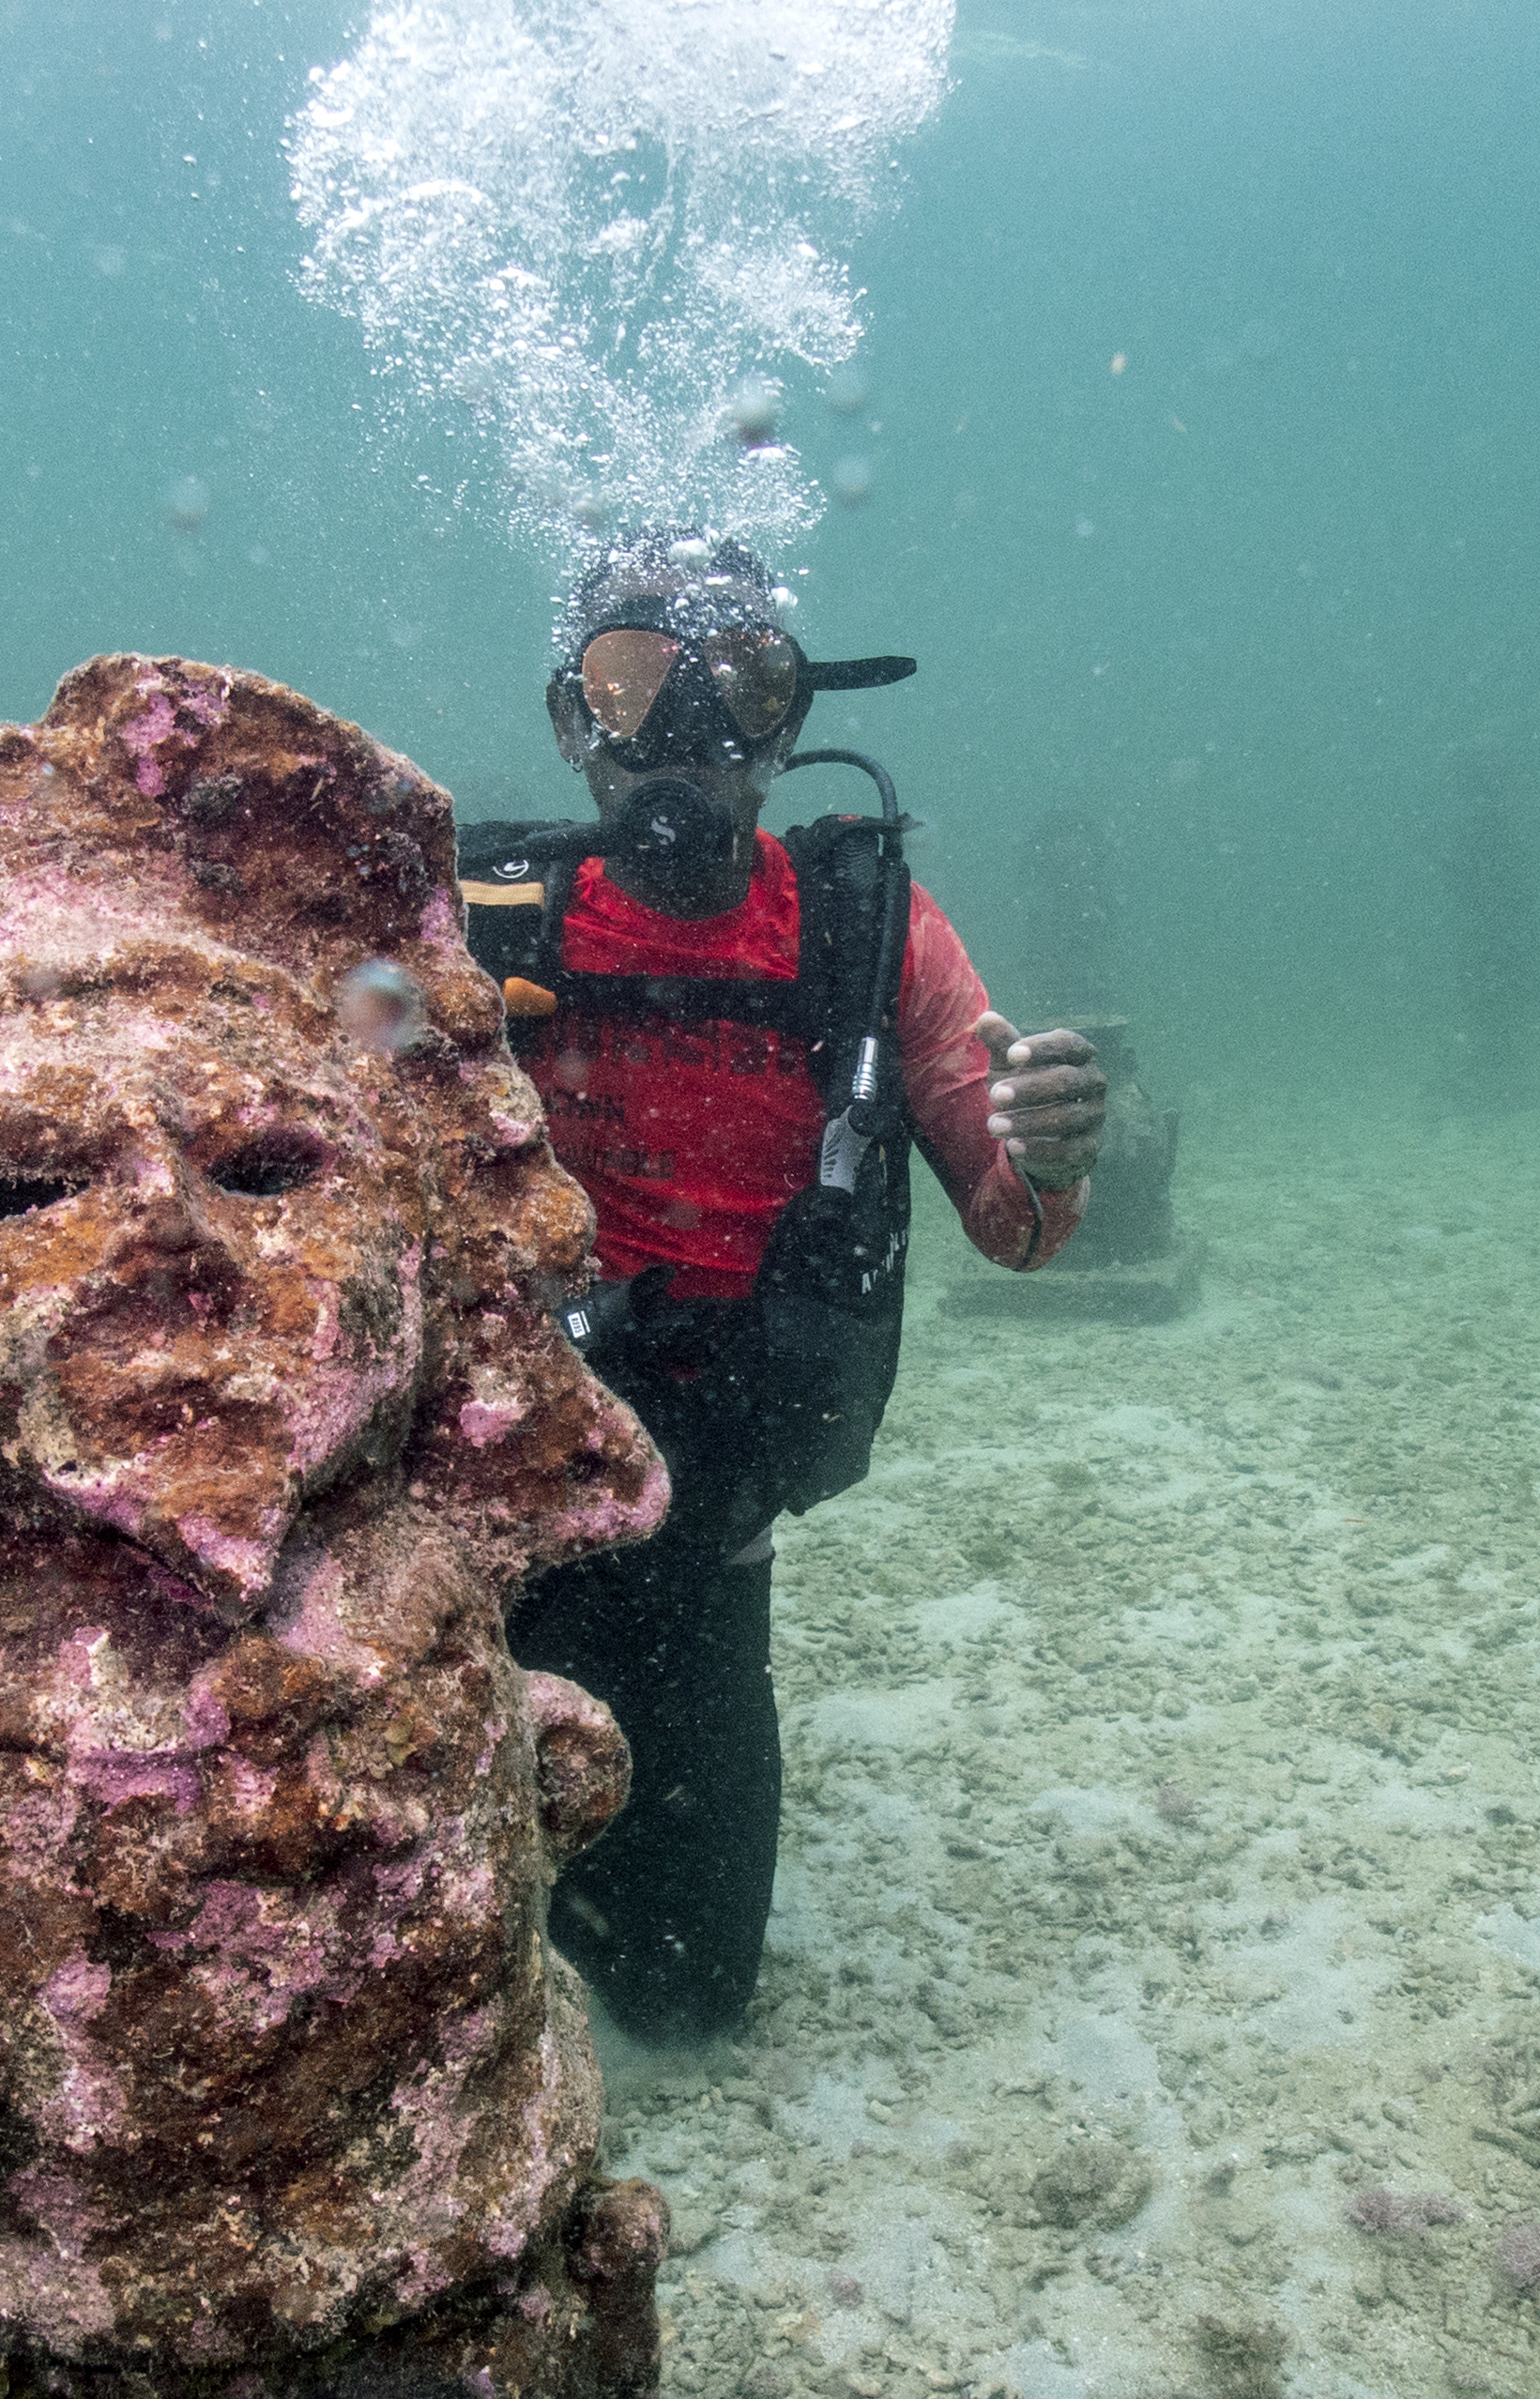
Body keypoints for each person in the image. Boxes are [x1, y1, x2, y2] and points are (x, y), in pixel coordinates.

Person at [459, 531, 1108, 2045]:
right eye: (633, 686)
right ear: (573, 721)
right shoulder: (477, 921)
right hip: (483, 1486)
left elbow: (1015, 1233)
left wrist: (1057, 1150)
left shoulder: (864, 924)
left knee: (683, 1996)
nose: (686, 735)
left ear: (792, 720)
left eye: (740, 688)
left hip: (714, 1507)